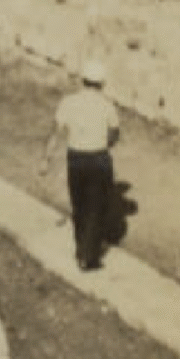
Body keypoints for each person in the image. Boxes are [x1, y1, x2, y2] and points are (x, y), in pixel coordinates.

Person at [49, 60, 124, 271]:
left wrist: (46, 159)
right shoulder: (107, 105)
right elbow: (114, 133)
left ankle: (81, 248)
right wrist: (106, 142)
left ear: (83, 81)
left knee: (79, 204)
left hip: (75, 158)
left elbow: (57, 131)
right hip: (98, 159)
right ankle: (89, 257)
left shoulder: (68, 102)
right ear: (101, 84)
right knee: (96, 206)